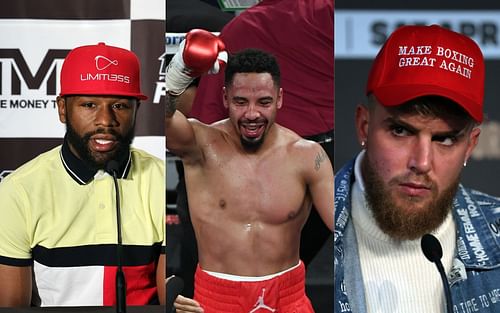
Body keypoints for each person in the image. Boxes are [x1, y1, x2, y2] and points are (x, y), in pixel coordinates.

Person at [173, 0, 334, 299]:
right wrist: (177, 74)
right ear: (225, 98)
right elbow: (163, 121)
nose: (251, 114)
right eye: (241, 102)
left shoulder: (309, 157)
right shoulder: (202, 144)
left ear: (280, 100)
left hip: (286, 297)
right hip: (214, 297)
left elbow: (347, 232)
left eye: (263, 102)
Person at [334, 25, 500, 313]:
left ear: (471, 146)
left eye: (445, 138)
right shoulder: (311, 226)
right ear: (364, 126)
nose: (422, 163)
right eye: (400, 130)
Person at [0, 43, 165, 307]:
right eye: (89, 104)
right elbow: (11, 308)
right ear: (63, 109)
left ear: (137, 111)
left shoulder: (158, 179)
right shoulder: (19, 190)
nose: (105, 120)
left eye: (120, 105)